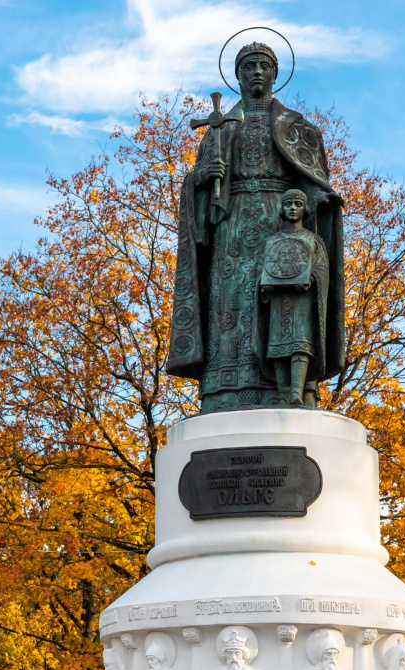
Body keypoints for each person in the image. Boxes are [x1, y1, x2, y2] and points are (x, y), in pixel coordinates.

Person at [167, 41, 345, 413]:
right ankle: (225, 389)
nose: (257, 73)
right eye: (249, 67)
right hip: (232, 230)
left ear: (276, 74)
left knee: (288, 309)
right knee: (231, 307)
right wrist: (202, 178)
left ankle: (290, 391)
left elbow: (311, 183)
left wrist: (319, 201)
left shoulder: (297, 128)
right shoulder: (221, 128)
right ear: (238, 75)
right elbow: (198, 187)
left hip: (281, 229)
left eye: (264, 65)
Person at [258, 188, 330, 406]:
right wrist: (265, 286)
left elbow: (322, 269)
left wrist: (311, 280)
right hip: (279, 301)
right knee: (278, 348)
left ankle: (296, 393)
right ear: (282, 208)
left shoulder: (312, 239)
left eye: (297, 204)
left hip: (302, 301)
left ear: (304, 209)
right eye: (288, 204)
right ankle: (282, 394)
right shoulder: (273, 241)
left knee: (300, 345)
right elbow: (264, 267)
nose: (292, 208)